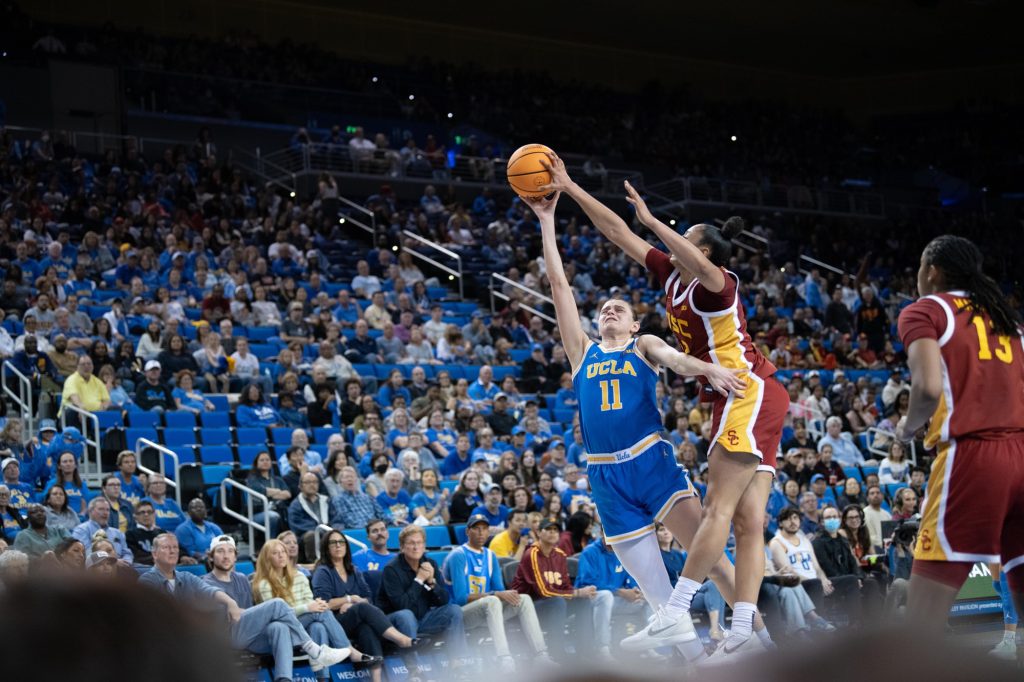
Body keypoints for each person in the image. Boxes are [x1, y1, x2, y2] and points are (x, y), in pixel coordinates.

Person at [525, 183, 770, 662]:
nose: (609, 309)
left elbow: (677, 359)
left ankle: (762, 641)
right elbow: (558, 286)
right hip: (604, 476)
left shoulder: (644, 345)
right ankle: (701, 668)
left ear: (635, 324)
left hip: (651, 463)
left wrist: (707, 369)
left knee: (716, 563)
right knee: (660, 600)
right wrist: (547, 221)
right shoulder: (582, 353)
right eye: (603, 309)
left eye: (620, 308)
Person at [894, 235, 1024, 634]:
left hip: (975, 458)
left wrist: (908, 427)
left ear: (931, 271)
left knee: (921, 623)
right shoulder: (1008, 319)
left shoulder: (926, 310)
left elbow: (929, 389)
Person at [142, 533, 354, 679]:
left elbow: (244, 613)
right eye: (220, 551)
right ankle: (316, 652)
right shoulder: (195, 580)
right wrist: (238, 609)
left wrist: (237, 607)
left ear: (236, 555)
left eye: (230, 551)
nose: (225, 556)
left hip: (248, 633)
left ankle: (285, 678)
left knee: (279, 626)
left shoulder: (238, 579)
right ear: (211, 557)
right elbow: (222, 610)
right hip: (224, 635)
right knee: (278, 604)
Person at [442, 513, 553, 672]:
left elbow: (500, 591)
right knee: (493, 600)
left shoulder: (490, 555)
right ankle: (505, 659)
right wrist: (495, 595)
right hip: (461, 616)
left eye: (484, 529)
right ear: (467, 532)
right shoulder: (458, 556)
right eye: (476, 529)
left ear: (488, 532)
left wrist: (507, 594)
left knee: (524, 599)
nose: (481, 533)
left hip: (488, 610)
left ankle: (541, 655)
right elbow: (460, 598)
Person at [253, 539, 374, 679]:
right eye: (275, 553)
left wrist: (314, 605)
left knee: (318, 627)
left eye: (283, 552)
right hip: (282, 629)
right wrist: (308, 607)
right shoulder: (263, 584)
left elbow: (309, 602)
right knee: (321, 612)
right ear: (267, 559)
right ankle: (349, 650)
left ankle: (323, 678)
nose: (281, 556)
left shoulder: (300, 576)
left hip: (303, 625)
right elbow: (275, 615)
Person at [312, 530, 414, 680]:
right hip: (335, 624)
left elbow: (367, 599)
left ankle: (376, 678)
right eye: (333, 543)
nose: (338, 545)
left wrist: (354, 603)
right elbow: (323, 604)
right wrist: (349, 599)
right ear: (326, 548)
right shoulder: (323, 572)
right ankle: (400, 639)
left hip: (356, 621)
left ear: (346, 546)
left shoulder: (353, 570)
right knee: (361, 609)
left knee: (366, 627)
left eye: (341, 542)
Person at [378, 525, 468, 662]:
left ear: (424, 545)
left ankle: (458, 663)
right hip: (395, 621)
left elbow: (444, 600)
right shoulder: (391, 569)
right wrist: (419, 580)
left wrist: (432, 582)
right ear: (402, 547)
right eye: (411, 543)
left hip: (423, 618)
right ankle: (414, 671)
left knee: (454, 610)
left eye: (419, 543)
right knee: (406, 616)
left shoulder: (429, 563)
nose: (416, 547)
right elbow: (402, 605)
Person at [511, 518, 597, 659]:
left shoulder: (560, 555)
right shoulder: (531, 554)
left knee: (583, 602)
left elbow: (565, 586)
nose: (552, 533)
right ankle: (557, 654)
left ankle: (586, 653)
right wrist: (577, 592)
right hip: (528, 608)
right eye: (548, 530)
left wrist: (579, 594)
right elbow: (543, 591)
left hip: (552, 605)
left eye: (555, 530)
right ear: (539, 533)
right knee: (558, 602)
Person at [575, 531, 650, 662]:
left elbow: (630, 579)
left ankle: (650, 647)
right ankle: (602, 649)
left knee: (647, 599)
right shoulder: (590, 552)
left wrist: (637, 591)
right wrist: (619, 591)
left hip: (615, 601)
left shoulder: (623, 552)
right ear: (601, 533)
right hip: (591, 600)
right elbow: (588, 582)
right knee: (606, 596)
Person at [288, 472, 342, 561]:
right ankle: (315, 562)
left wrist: (334, 530)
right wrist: (321, 530)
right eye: (308, 482)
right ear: (300, 486)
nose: (312, 485)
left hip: (327, 531)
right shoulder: (296, 505)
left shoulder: (326, 501)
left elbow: (336, 519)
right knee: (311, 536)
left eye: (315, 482)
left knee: (339, 533)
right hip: (307, 536)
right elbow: (297, 525)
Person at [71, 497, 133, 563]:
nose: (105, 513)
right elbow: (86, 553)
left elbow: (127, 553)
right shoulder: (81, 530)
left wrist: (126, 562)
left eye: (108, 510)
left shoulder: (118, 533)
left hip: (123, 566)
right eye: (101, 509)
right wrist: (114, 562)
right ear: (90, 511)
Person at [245, 451, 291, 539]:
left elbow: (287, 494)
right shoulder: (252, 479)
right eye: (262, 460)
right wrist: (278, 492)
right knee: (273, 516)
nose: (265, 462)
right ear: (256, 463)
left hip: (278, 509)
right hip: (257, 513)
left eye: (267, 460)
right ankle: (270, 543)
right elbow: (263, 491)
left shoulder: (278, 479)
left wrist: (270, 493)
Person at [331, 466, 388, 531]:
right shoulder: (338, 499)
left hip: (375, 529)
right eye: (346, 477)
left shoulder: (368, 497)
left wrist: (392, 520)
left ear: (356, 480)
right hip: (358, 531)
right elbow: (349, 521)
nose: (350, 479)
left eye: (352, 477)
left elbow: (381, 514)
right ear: (341, 482)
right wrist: (371, 527)